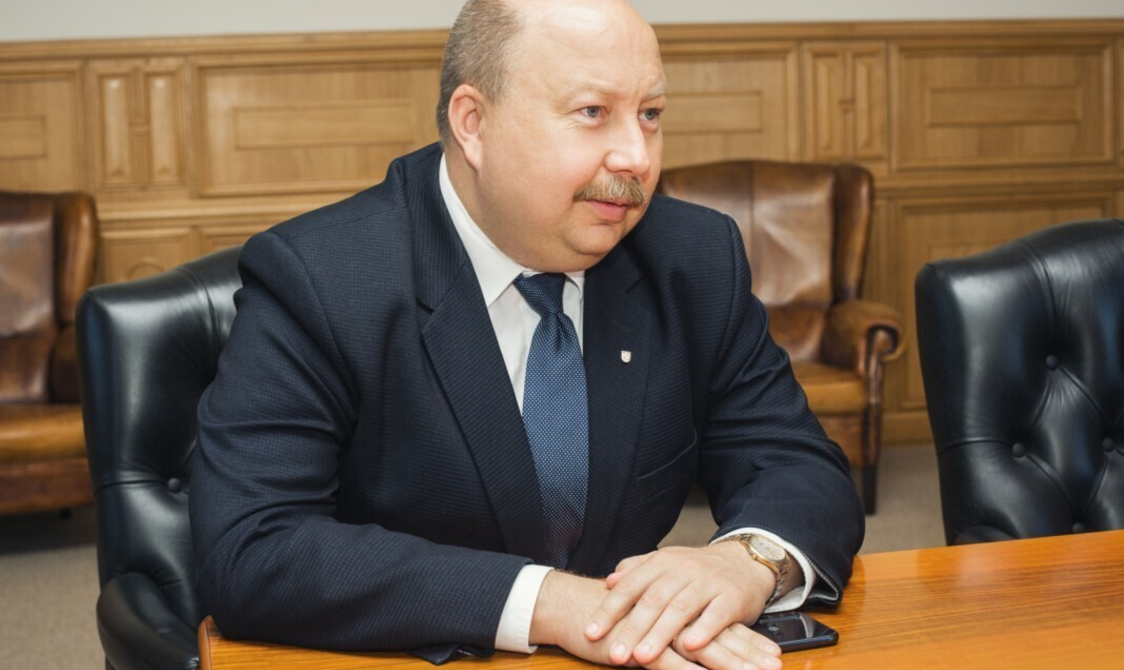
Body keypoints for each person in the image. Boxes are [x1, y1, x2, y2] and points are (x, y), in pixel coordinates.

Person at [189, 1, 864, 669]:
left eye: (651, 115)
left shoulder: (692, 257)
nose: (636, 157)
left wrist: (746, 563)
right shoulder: (323, 277)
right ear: (474, 124)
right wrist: (550, 603)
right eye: (592, 112)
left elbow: (798, 465)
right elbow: (254, 546)